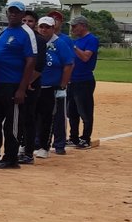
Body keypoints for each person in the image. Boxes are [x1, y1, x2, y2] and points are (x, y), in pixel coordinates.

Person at [0, 2, 36, 169]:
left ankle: (11, 158)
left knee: (12, 123)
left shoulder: (26, 33)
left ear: (22, 15)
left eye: (17, 12)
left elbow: (30, 61)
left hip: (13, 84)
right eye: (10, 11)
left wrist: (22, 88)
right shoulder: (5, 31)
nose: (13, 14)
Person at [31, 15, 74, 160]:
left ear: (53, 28)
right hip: (35, 85)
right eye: (41, 27)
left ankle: (51, 145)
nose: (44, 30)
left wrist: (63, 84)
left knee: (51, 117)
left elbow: (69, 64)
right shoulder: (35, 41)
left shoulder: (59, 43)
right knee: (33, 116)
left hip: (52, 86)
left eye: (47, 27)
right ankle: (34, 143)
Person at [14, 7, 45, 165]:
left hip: (30, 85)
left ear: (35, 23)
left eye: (30, 21)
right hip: (19, 83)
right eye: (24, 20)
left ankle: (28, 152)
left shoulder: (38, 39)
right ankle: (20, 147)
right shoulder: (21, 37)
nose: (26, 23)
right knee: (17, 118)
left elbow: (39, 66)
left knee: (28, 118)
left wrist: (27, 83)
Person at [67, 15, 99, 149]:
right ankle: (73, 137)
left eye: (75, 26)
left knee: (84, 110)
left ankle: (85, 138)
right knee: (72, 111)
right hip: (72, 80)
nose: (72, 28)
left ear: (83, 25)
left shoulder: (91, 39)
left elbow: (86, 57)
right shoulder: (78, 40)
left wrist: (73, 47)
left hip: (84, 80)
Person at [46, 11, 74, 155]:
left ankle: (59, 144)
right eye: (52, 18)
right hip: (43, 84)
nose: (54, 21)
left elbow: (69, 63)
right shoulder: (40, 38)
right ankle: (42, 142)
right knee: (43, 115)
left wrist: (64, 83)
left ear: (61, 23)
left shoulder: (65, 40)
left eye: (57, 19)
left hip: (58, 84)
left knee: (59, 115)